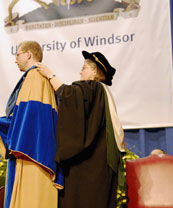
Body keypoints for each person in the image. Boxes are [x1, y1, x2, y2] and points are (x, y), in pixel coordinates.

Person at [0, 41, 63, 208]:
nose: (15, 60)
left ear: (28, 55)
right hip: (37, 154)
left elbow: (27, 125)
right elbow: (22, 120)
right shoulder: (41, 78)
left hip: (33, 156)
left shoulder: (34, 77)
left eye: (17, 55)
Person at [35, 51, 125, 208]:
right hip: (101, 165)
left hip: (90, 167)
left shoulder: (92, 88)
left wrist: (50, 75)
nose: (80, 71)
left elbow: (68, 94)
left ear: (95, 72)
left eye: (84, 68)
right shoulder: (103, 92)